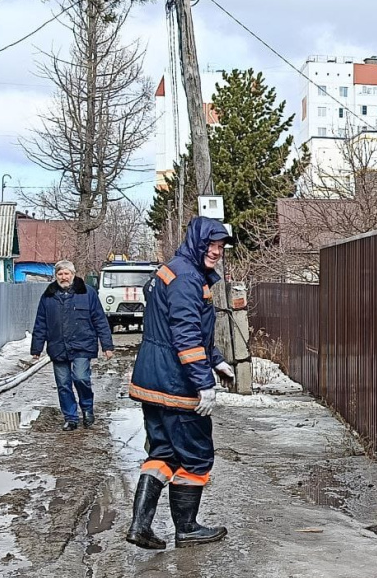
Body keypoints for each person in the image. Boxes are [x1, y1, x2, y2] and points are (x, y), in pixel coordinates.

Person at [125, 217, 236, 550]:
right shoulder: (188, 278)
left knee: (164, 452)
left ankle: (140, 526)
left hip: (153, 380)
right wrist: (204, 383)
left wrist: (215, 358)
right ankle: (186, 528)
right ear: (197, 243)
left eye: (220, 247)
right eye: (212, 245)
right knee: (196, 455)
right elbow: (185, 335)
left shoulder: (174, 270)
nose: (216, 252)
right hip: (176, 383)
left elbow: (184, 328)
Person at [30, 259, 115, 432]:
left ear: (73, 274)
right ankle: (70, 417)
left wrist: (107, 346)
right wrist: (36, 349)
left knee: (81, 377)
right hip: (58, 346)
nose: (63, 277)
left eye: (66, 273)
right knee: (63, 384)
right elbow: (41, 323)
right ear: (56, 276)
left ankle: (87, 409)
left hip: (82, 344)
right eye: (60, 274)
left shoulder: (88, 293)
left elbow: (100, 319)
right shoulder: (48, 296)